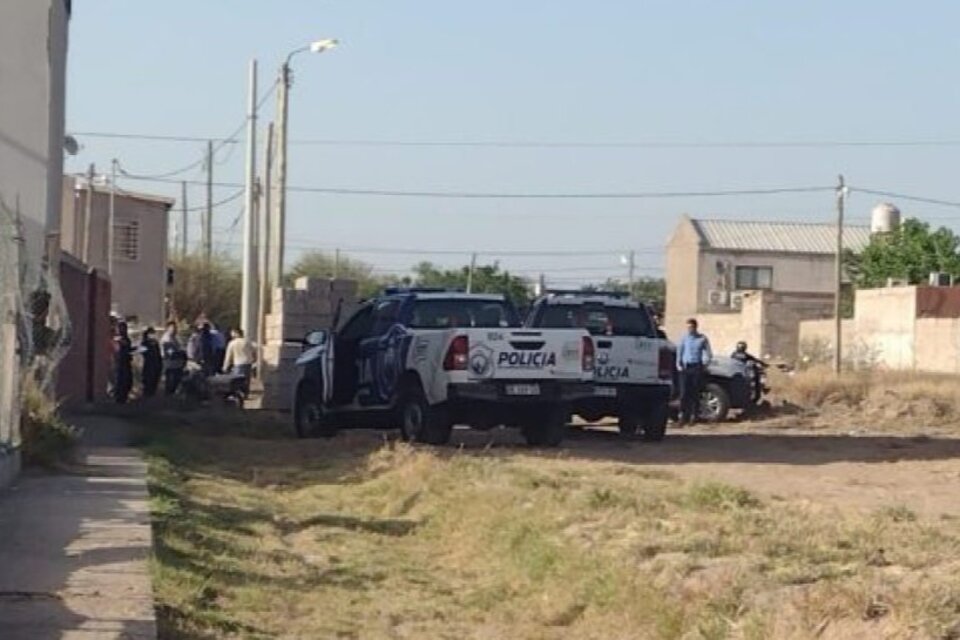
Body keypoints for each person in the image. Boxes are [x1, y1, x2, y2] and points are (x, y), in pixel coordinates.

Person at [676, 318, 713, 425]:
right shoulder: (684, 338)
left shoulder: (702, 339)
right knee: (684, 393)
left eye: (691, 327)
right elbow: (680, 351)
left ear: (695, 327)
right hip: (685, 367)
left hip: (696, 367)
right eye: (688, 327)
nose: (689, 329)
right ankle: (682, 416)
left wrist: (705, 364)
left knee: (695, 392)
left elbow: (708, 353)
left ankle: (694, 416)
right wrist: (678, 364)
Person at [223, 328, 256, 392]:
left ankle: (239, 393)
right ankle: (246, 393)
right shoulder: (247, 341)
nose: (231, 334)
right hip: (248, 363)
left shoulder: (232, 343)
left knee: (238, 380)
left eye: (232, 333)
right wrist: (254, 359)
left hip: (238, 363)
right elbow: (254, 351)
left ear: (236, 333)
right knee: (247, 380)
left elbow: (228, 356)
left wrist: (225, 367)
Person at [160, 321, 186, 395]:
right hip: (170, 364)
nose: (174, 329)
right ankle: (169, 397)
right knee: (171, 382)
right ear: (168, 328)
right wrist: (181, 353)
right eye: (172, 328)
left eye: (175, 328)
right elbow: (170, 352)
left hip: (177, 363)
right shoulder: (167, 339)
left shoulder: (174, 338)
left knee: (177, 381)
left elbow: (179, 348)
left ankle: (172, 396)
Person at [113, 321, 134, 404]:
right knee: (121, 380)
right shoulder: (118, 339)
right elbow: (117, 349)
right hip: (120, 363)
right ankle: (119, 398)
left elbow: (128, 348)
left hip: (126, 362)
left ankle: (124, 397)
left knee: (127, 380)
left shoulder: (126, 338)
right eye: (121, 328)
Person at [140, 327, 162, 397]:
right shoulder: (144, 343)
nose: (152, 335)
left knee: (154, 380)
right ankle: (147, 394)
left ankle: (152, 393)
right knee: (148, 381)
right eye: (151, 333)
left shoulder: (155, 342)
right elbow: (143, 353)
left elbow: (158, 354)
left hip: (156, 364)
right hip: (148, 365)